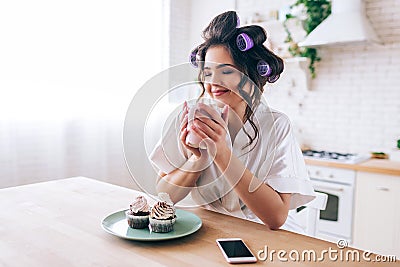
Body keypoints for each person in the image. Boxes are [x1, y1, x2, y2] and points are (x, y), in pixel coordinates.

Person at [150, 10, 316, 231]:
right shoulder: (192, 118)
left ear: (251, 77)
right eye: (207, 72)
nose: (213, 82)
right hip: (212, 231)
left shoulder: (276, 125)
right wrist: (197, 160)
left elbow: (276, 218)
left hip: (267, 237)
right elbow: (164, 197)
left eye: (226, 71)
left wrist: (223, 155)